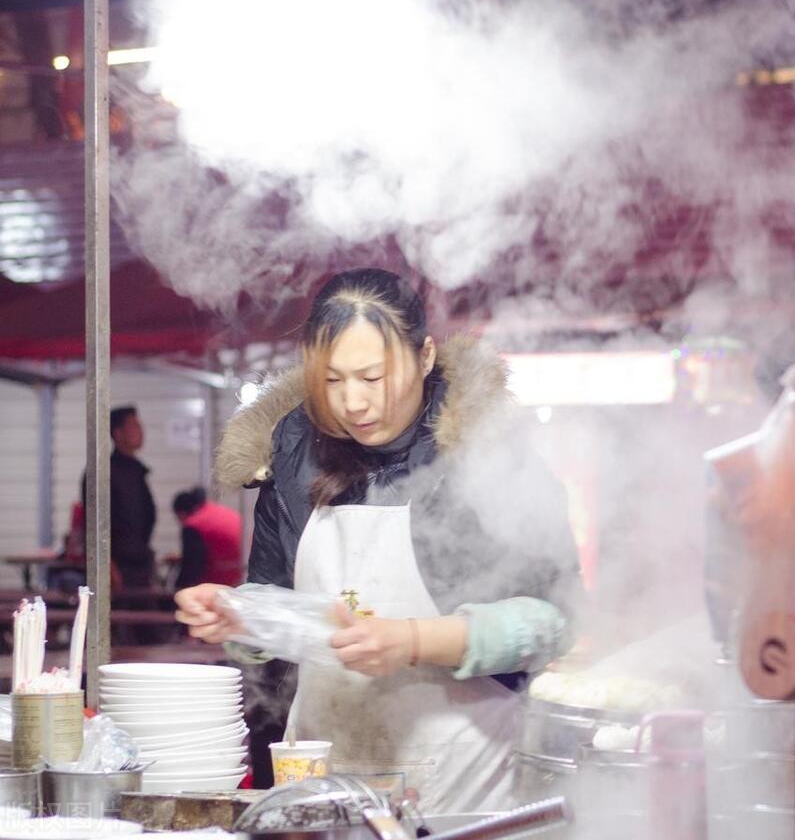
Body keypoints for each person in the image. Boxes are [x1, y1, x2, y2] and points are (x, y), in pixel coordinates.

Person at [174, 268, 580, 811]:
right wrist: (240, 616)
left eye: (372, 377)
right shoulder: (292, 449)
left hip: (460, 787)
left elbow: (555, 622)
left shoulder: (485, 453)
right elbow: (279, 599)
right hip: (323, 776)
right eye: (332, 380)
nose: (353, 403)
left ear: (425, 356)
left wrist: (413, 641)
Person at [81, 406, 157, 589]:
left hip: (140, 562)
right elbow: (93, 522)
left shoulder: (137, 470)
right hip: (117, 566)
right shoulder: (102, 471)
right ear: (118, 433)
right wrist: (107, 565)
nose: (140, 430)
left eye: (140, 425)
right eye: (133, 426)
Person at [172, 487, 244, 590]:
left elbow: (192, 565)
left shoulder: (194, 524)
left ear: (181, 513)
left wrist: (178, 588)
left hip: (220, 576)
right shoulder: (214, 510)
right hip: (241, 569)